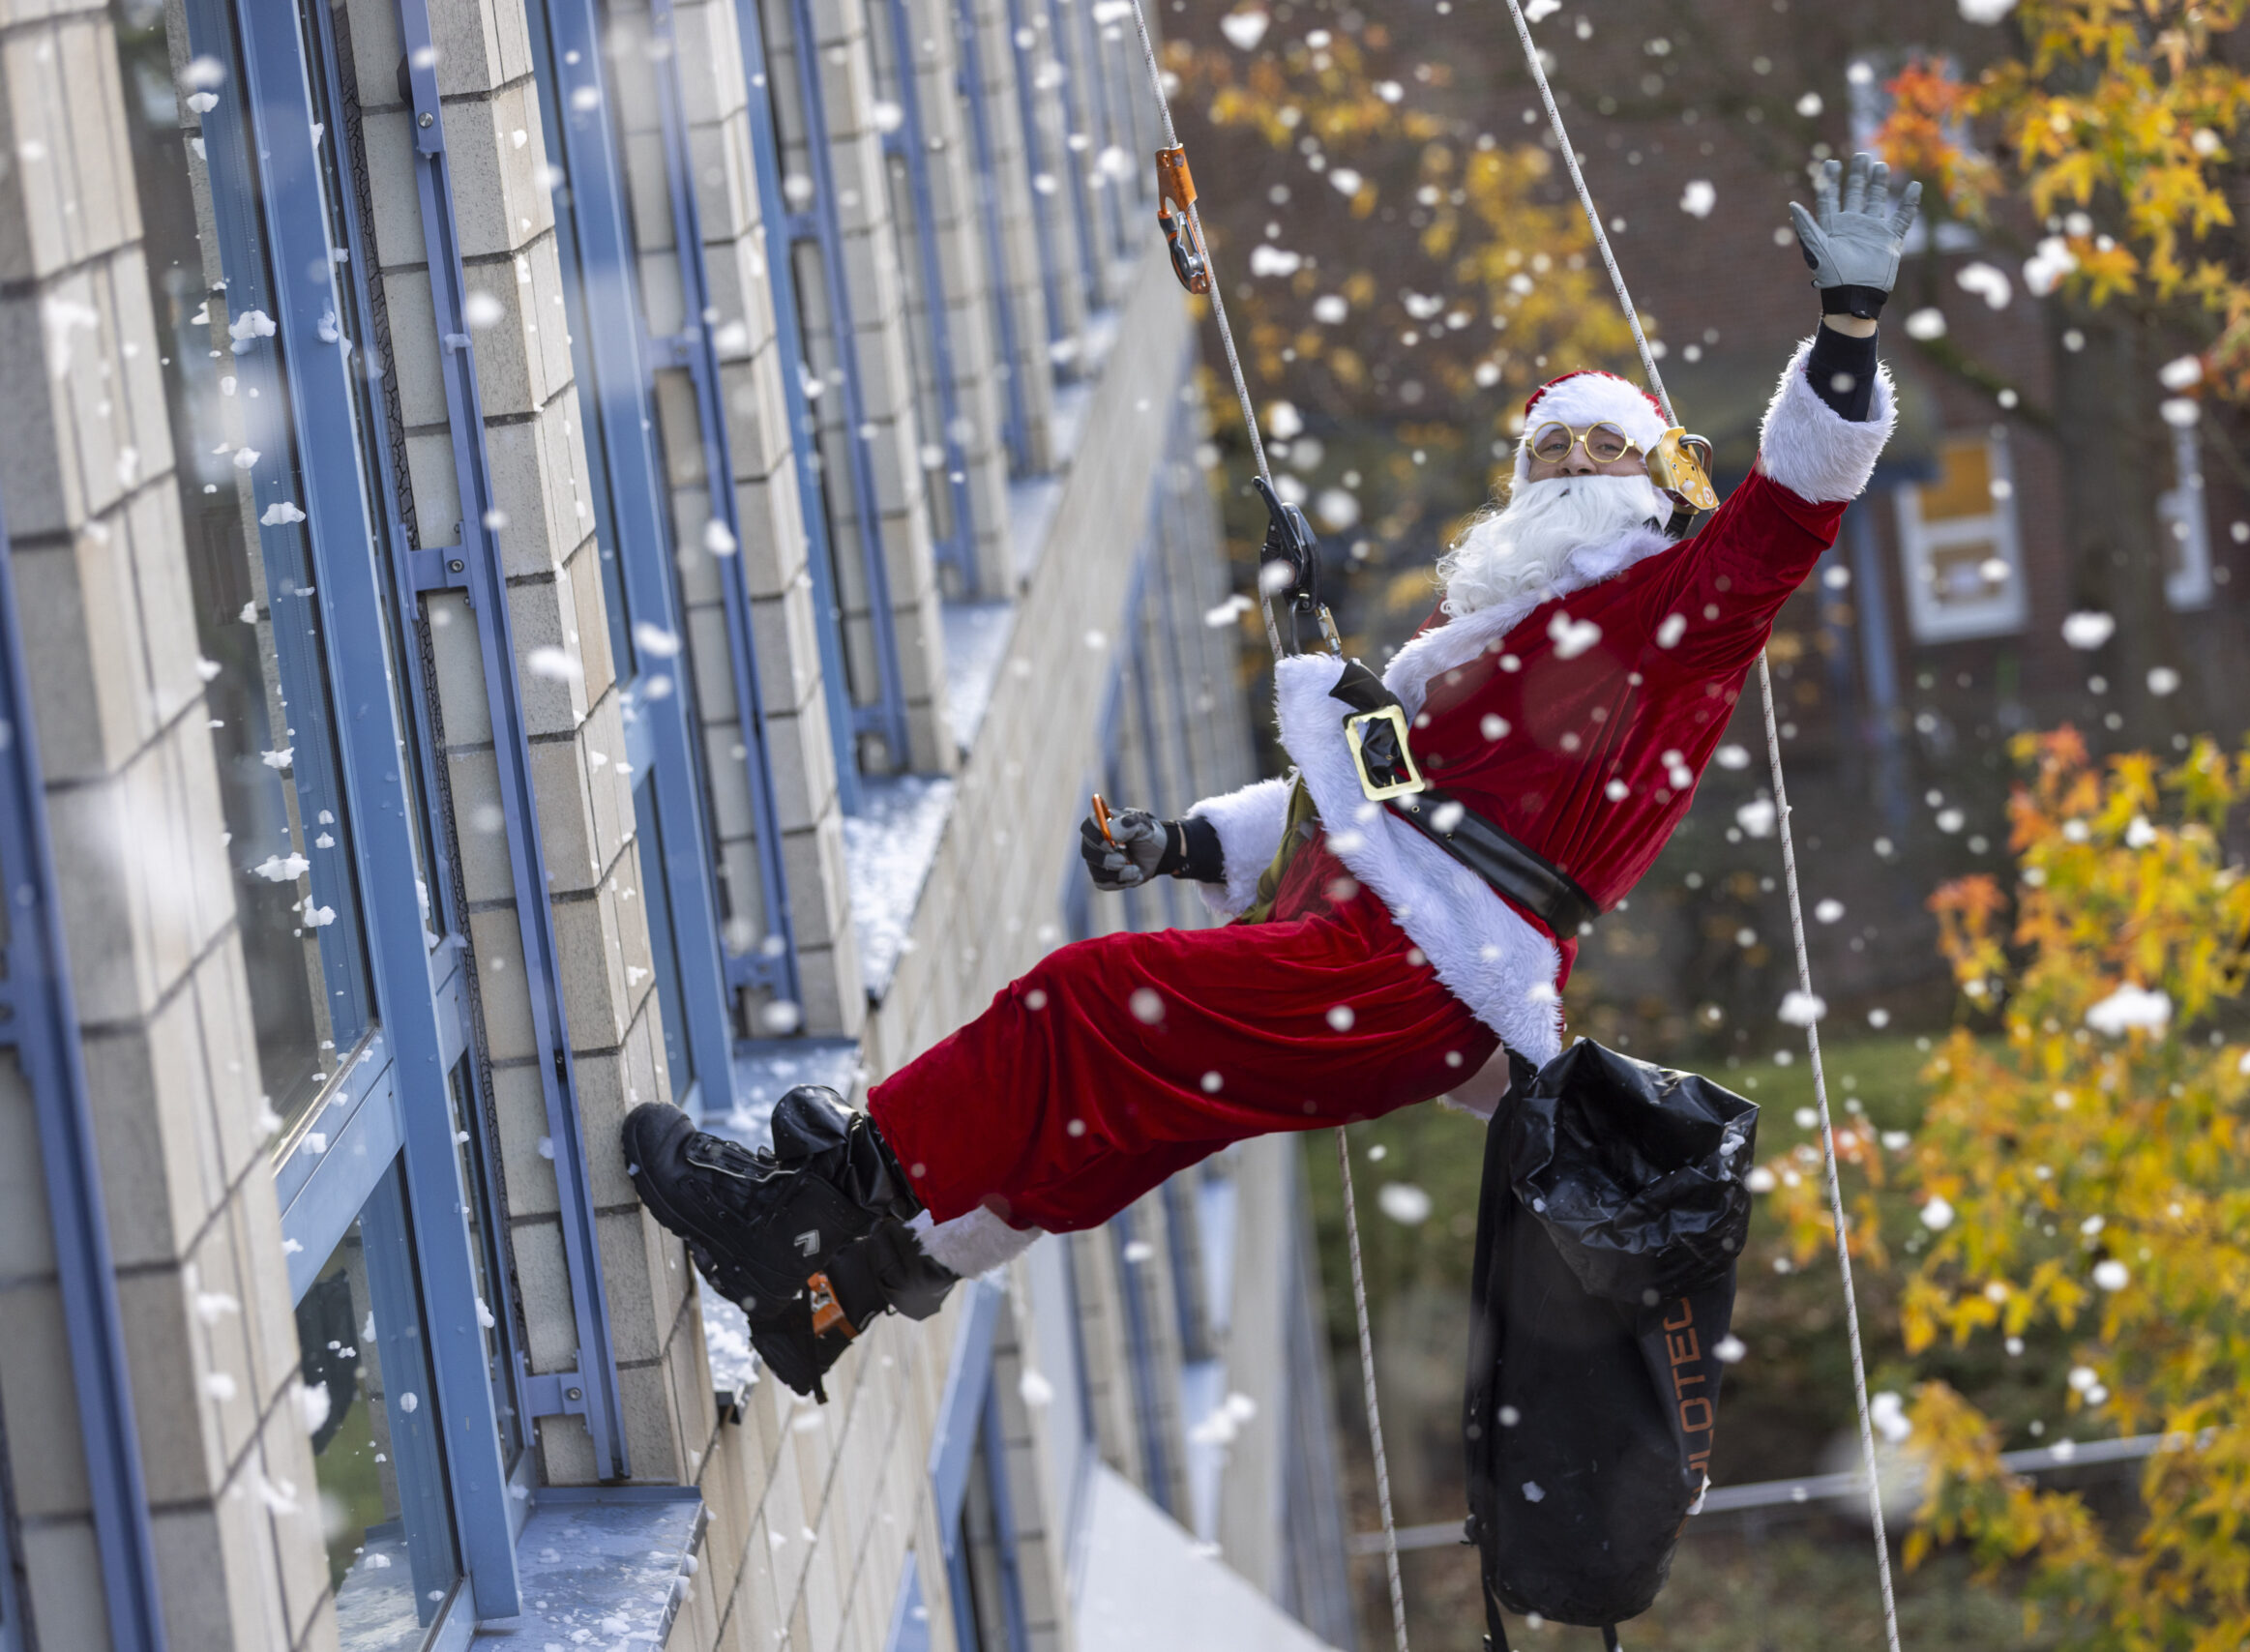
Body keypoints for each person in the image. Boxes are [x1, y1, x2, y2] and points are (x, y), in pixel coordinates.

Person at [623, 156, 1920, 1398]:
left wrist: (1848, 330)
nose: (1577, 465)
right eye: (1552, 451)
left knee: (1091, 1004)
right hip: (1381, 941)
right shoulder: (1483, 646)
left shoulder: (1671, 616)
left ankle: (810, 1217)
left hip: (1425, 972)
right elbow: (1355, 799)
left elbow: (1790, 517)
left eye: (1606, 446)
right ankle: (862, 1276)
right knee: (1122, 1112)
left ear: (1661, 479)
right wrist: (1180, 842)